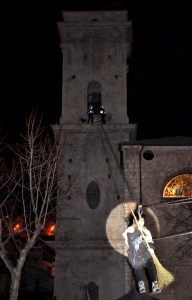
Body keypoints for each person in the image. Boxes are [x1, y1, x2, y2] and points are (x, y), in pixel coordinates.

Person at [122, 207, 161, 294]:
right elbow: (130, 238)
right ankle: (141, 284)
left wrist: (151, 249)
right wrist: (138, 230)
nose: (141, 225)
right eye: (139, 223)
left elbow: (151, 242)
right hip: (136, 254)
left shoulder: (146, 231)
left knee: (150, 265)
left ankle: (154, 284)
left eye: (142, 223)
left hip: (145, 253)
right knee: (138, 266)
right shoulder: (130, 230)